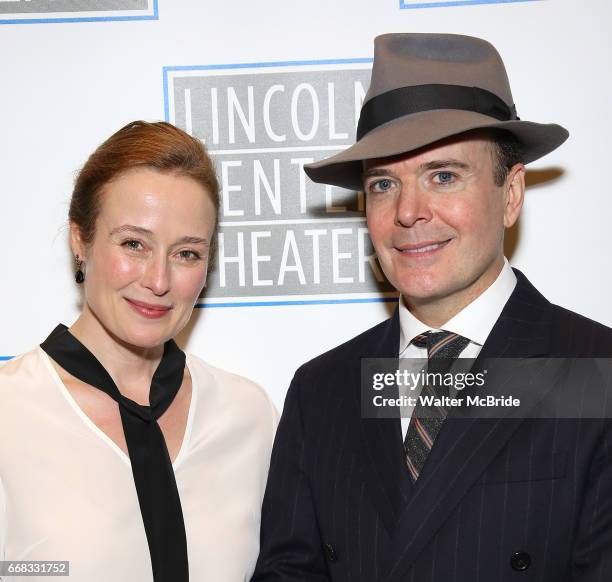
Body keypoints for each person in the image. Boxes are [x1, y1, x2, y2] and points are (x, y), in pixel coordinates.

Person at [252, 33, 612, 581]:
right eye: (383, 184)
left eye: (443, 176)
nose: (408, 212)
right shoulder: (320, 390)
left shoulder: (597, 372)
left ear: (511, 194)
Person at [0, 121, 278, 582]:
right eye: (134, 244)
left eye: (187, 253)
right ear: (80, 239)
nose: (158, 280)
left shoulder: (249, 416)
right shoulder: (8, 412)